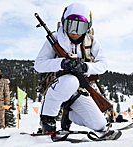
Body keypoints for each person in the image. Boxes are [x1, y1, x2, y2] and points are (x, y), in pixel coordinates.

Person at [34, 3, 108, 133]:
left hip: (77, 90)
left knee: (99, 125)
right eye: (70, 25)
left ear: (88, 27)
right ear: (63, 23)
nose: (74, 32)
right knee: (70, 80)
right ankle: (47, 117)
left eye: (80, 27)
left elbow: (103, 65)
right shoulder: (55, 39)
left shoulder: (91, 41)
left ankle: (69, 113)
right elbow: (39, 65)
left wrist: (85, 67)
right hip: (57, 86)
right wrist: (60, 63)